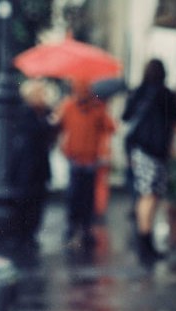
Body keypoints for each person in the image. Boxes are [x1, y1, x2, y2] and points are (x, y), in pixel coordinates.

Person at [122, 59, 176, 263]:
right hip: (157, 152)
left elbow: (125, 116)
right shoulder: (166, 94)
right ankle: (145, 245)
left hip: (139, 150)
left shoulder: (138, 92)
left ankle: (145, 243)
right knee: (151, 195)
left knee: (145, 195)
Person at [55, 78, 115, 250]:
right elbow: (58, 125)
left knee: (87, 196)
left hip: (90, 159)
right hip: (75, 157)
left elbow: (110, 127)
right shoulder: (68, 106)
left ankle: (85, 229)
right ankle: (73, 227)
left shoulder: (97, 107)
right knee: (75, 195)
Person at [9, 79, 56, 247]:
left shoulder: (46, 113)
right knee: (24, 201)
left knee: (37, 202)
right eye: (39, 93)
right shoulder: (25, 113)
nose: (43, 97)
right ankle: (20, 235)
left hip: (40, 167)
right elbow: (35, 132)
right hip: (26, 167)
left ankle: (30, 234)